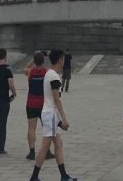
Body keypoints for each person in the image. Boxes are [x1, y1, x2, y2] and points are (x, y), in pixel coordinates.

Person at [29, 49, 77, 181]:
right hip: (50, 114)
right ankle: (34, 177)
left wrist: (59, 121)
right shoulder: (54, 76)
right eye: (63, 59)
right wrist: (64, 119)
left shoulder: (49, 73)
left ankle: (64, 176)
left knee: (58, 144)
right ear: (60, 60)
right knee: (45, 147)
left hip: (50, 113)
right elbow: (57, 99)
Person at [25, 51, 48, 161]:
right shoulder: (46, 72)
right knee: (46, 128)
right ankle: (46, 151)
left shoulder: (30, 72)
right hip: (43, 104)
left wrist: (32, 61)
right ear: (43, 61)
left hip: (31, 103)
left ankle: (32, 152)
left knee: (31, 128)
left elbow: (25, 68)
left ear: (35, 61)